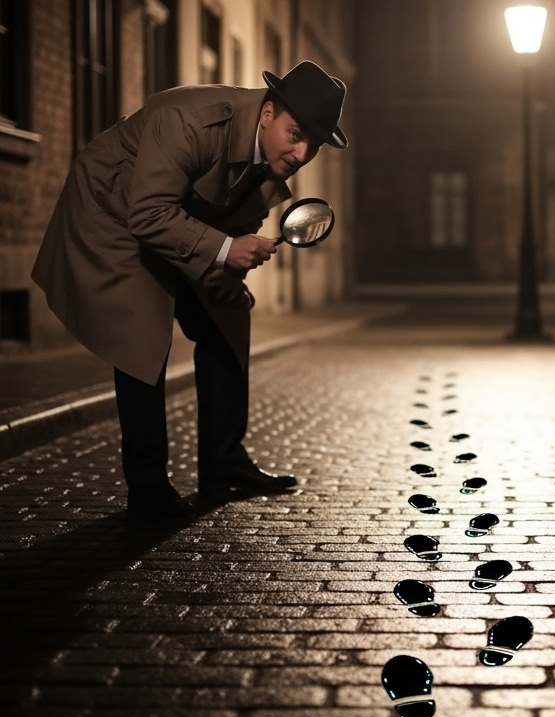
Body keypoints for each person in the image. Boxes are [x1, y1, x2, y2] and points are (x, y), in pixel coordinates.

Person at [32, 61, 348, 516]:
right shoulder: (191, 120)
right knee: (141, 337)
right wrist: (222, 250)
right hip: (113, 209)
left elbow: (241, 213)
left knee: (227, 313)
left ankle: (223, 464)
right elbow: (147, 214)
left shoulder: (271, 153)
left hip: (178, 216)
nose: (301, 154)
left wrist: (224, 270)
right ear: (267, 114)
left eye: (313, 145)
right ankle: (148, 490)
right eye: (295, 134)